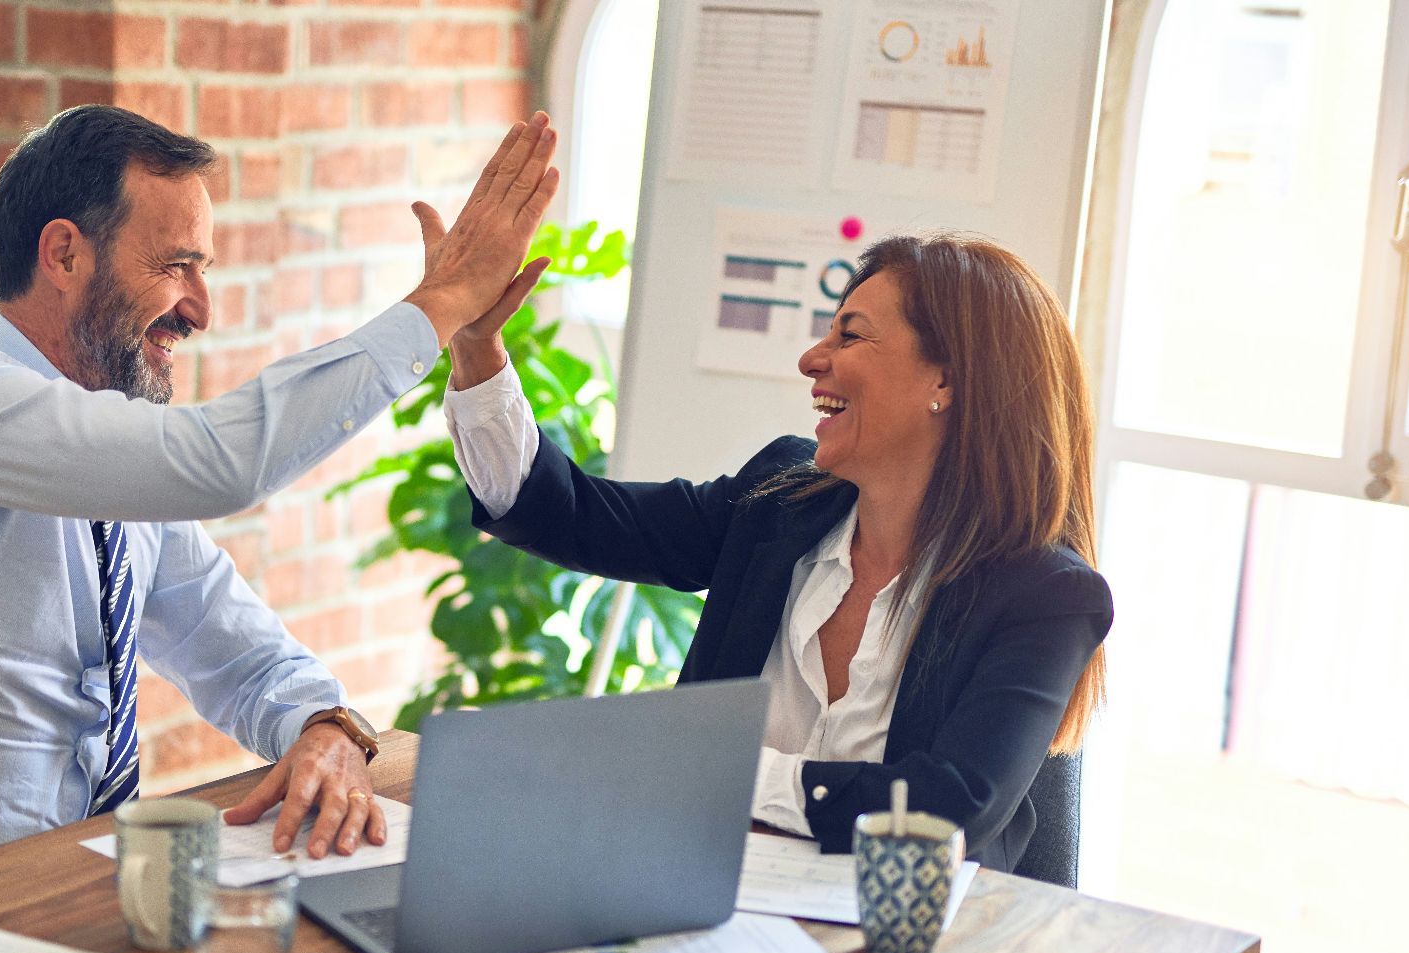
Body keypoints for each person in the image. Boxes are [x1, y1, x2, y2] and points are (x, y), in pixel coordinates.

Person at [0, 104, 559, 889]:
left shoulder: (117, 479)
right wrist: (442, 303)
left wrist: (325, 726)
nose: (200, 309)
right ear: (65, 256)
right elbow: (220, 463)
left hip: (55, 904)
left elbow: (241, 653)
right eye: (177, 265)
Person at [441, 233, 1111, 872]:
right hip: (704, 901)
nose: (812, 359)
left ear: (947, 380)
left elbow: (946, 810)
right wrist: (477, 348)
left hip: (909, 952)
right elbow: (571, 515)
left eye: (849, 335)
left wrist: (720, 771)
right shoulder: (778, 503)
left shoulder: (1046, 595)